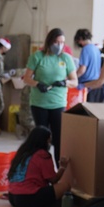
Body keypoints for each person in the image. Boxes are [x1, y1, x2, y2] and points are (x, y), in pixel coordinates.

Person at [22, 28, 78, 160]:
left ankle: (59, 170)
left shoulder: (66, 58)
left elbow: (75, 81)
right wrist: (37, 84)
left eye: (62, 42)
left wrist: (65, 83)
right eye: (56, 42)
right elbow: (26, 78)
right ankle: (43, 168)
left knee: (58, 138)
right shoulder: (37, 57)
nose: (59, 45)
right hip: (39, 103)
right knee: (42, 138)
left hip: (58, 103)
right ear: (49, 42)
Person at [7, 126, 75, 207]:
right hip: (29, 197)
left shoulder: (22, 153)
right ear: (45, 141)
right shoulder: (42, 155)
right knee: (65, 186)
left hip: (12, 197)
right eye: (49, 140)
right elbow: (53, 180)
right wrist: (62, 167)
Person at [74, 29, 102, 102]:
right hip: (95, 83)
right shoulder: (96, 49)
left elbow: (82, 70)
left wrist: (73, 77)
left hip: (86, 84)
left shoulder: (85, 49)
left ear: (80, 39)